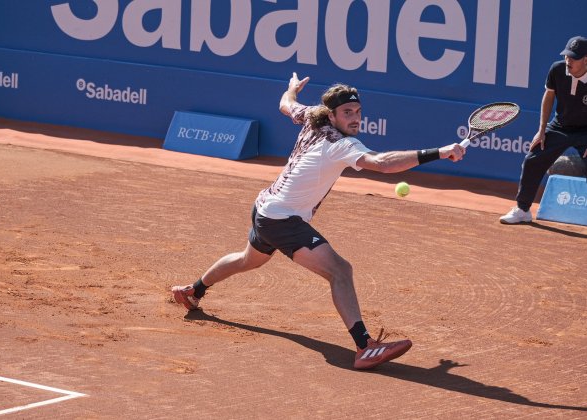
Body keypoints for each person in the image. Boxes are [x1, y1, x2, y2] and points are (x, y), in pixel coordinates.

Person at [172, 72, 466, 370]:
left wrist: (290, 89)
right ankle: (365, 346)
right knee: (340, 271)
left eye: (358, 112)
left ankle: (193, 291)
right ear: (332, 114)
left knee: (249, 260)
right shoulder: (341, 145)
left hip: (265, 208)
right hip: (282, 220)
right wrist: (439, 152)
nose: (355, 118)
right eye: (347, 113)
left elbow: (286, 105)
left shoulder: (313, 118)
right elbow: (382, 164)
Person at [500, 35, 587, 224]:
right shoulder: (557, 70)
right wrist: (541, 131)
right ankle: (522, 210)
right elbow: (548, 97)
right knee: (533, 158)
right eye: (566, 55)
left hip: (585, 131)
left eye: (574, 57)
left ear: (586, 59)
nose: (568, 60)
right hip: (560, 125)